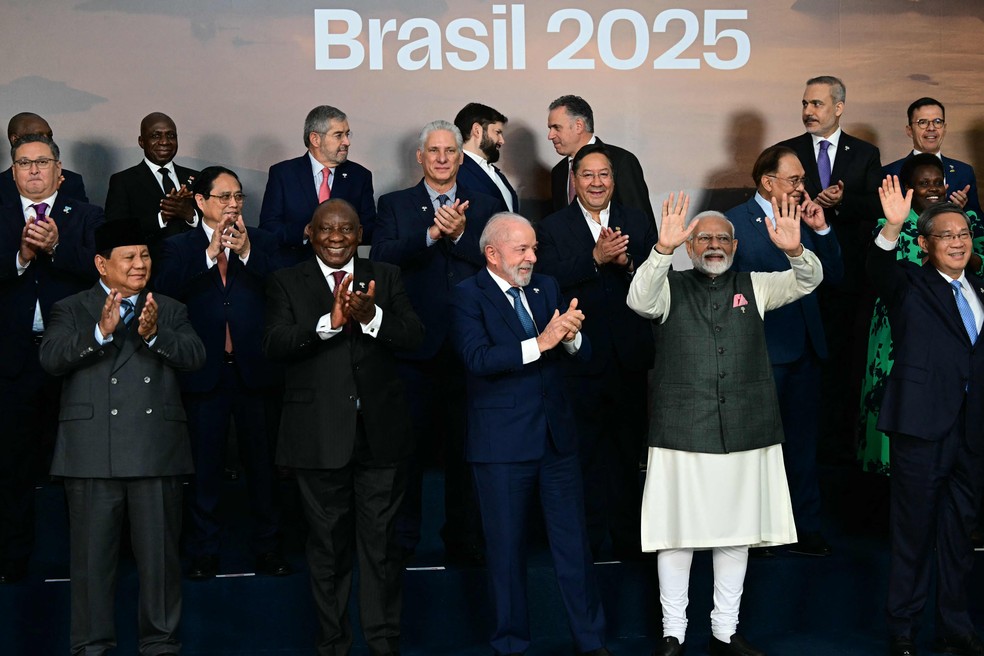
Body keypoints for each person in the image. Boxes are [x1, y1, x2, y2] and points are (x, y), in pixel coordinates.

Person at [628, 195, 823, 656]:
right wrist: (661, 250)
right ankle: (673, 631)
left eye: (721, 238)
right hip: (682, 430)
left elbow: (810, 280)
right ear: (690, 246)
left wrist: (795, 251)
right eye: (703, 239)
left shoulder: (756, 284)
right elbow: (638, 301)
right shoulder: (668, 284)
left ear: (734, 244)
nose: (714, 245)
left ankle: (725, 630)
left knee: (735, 535)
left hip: (745, 426)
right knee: (676, 537)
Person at [263, 198, 423, 656]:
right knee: (328, 549)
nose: (337, 238)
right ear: (310, 233)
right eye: (327, 229)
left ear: (360, 234)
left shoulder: (386, 276)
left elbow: (415, 336)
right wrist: (327, 325)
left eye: (347, 230)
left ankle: (383, 641)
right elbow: (273, 343)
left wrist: (372, 318)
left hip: (381, 436)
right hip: (316, 438)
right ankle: (333, 644)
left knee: (383, 547)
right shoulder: (285, 280)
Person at [38, 219, 205, 656]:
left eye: (145, 256)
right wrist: (101, 332)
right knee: (93, 568)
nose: (139, 265)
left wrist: (154, 335)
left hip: (155, 451)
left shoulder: (168, 307)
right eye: (128, 257)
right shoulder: (72, 307)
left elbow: (195, 357)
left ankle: (161, 645)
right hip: (92, 455)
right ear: (101, 263)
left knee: (161, 566)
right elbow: (51, 358)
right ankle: (92, 648)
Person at [450, 212, 612, 656]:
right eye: (522, 249)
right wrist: (540, 342)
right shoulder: (467, 295)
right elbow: (478, 359)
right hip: (500, 447)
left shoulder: (548, 288)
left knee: (574, 549)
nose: (532, 257)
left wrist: (572, 337)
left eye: (534, 249)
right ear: (492, 253)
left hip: (556, 442)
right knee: (504, 555)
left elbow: (581, 352)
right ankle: (510, 645)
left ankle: (591, 640)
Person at [371, 120, 505, 564]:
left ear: (461, 157)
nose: (443, 158)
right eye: (434, 151)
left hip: (469, 350)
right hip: (414, 347)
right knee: (406, 453)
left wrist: (463, 234)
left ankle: (463, 540)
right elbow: (382, 258)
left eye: (450, 151)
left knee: (466, 452)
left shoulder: (485, 205)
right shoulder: (395, 204)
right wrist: (431, 234)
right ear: (420, 157)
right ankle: (404, 540)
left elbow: (499, 264)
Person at [155, 166, 289, 580]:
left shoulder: (263, 243)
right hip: (203, 373)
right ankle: (204, 552)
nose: (233, 205)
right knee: (204, 469)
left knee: (264, 469)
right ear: (200, 201)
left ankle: (268, 549)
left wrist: (247, 254)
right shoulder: (179, 247)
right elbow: (162, 293)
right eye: (223, 197)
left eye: (238, 197)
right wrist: (209, 256)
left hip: (255, 372)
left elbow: (286, 291)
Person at [869, 179, 984, 656]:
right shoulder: (909, 282)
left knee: (959, 536)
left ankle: (956, 626)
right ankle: (903, 630)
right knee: (913, 533)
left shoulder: (979, 287)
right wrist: (893, 226)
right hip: (921, 425)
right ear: (925, 245)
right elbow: (876, 270)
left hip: (972, 430)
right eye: (946, 236)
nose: (958, 242)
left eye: (963, 234)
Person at [536, 143, 658, 559]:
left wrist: (624, 264)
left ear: (614, 179)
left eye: (603, 174)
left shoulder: (637, 221)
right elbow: (548, 280)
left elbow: (655, 278)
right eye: (587, 175)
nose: (596, 182)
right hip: (579, 360)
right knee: (582, 456)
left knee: (627, 456)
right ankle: (585, 543)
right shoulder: (552, 227)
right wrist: (594, 257)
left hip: (629, 358)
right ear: (574, 181)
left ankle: (628, 540)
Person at [726, 145, 844, 556]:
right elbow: (724, 288)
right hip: (760, 351)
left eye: (802, 180)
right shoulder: (734, 222)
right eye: (794, 180)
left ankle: (804, 527)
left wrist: (823, 229)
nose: (801, 187)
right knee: (758, 447)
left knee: (803, 443)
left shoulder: (805, 216)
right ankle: (757, 531)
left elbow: (835, 276)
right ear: (766, 181)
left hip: (808, 348)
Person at [0, 133, 103, 584]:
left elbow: (108, 273)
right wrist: (21, 257)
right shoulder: (1, 215)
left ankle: (88, 561)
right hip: (13, 363)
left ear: (60, 170)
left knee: (81, 468)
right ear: (14, 171)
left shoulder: (86, 216)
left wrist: (58, 249)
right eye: (24, 163)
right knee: (13, 468)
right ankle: (13, 559)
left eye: (43, 162)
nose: (34, 171)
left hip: (75, 360)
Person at [776, 75, 882, 463]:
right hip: (796, 282)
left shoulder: (865, 153)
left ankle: (838, 468)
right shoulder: (786, 152)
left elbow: (877, 206)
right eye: (805, 103)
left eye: (817, 104)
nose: (808, 111)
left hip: (848, 284)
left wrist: (840, 202)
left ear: (839, 107)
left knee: (842, 379)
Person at [858, 154, 984, 478]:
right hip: (898, 328)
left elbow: (977, 265)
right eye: (923, 183)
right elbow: (880, 270)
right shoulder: (894, 223)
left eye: (937, 183)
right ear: (910, 188)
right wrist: (895, 223)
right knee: (902, 402)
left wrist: (956, 238)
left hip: (953, 333)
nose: (932, 190)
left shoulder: (961, 221)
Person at [259, 105, 376, 265]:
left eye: (347, 134)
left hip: (342, 275)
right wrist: (305, 232)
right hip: (294, 272)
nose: (347, 142)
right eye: (338, 135)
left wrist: (343, 232)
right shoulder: (283, 174)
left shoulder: (359, 176)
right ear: (315, 139)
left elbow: (369, 229)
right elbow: (268, 229)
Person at [104, 112, 199, 260]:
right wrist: (162, 217)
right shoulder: (123, 181)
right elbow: (116, 232)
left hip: (196, 266)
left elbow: (216, 224)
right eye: (156, 136)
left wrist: (190, 215)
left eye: (171, 136)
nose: (164, 142)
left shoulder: (197, 178)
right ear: (141, 141)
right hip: (150, 271)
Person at [547, 94, 655, 222]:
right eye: (550, 128)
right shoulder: (558, 172)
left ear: (578, 126)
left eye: (556, 127)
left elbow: (643, 225)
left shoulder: (621, 161)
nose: (550, 135)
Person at [883, 97, 982, 217]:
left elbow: (978, 223)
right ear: (909, 130)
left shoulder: (963, 171)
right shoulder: (889, 173)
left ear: (944, 128)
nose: (931, 128)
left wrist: (962, 212)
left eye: (937, 121)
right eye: (923, 122)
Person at [0, 112, 87, 205]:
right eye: (39, 136)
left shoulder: (71, 181)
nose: (46, 141)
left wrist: (54, 194)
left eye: (49, 136)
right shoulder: (2, 186)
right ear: (15, 140)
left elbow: (83, 216)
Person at [454, 102, 519, 211]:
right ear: (477, 130)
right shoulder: (455, 172)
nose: (502, 141)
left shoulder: (496, 173)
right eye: (497, 132)